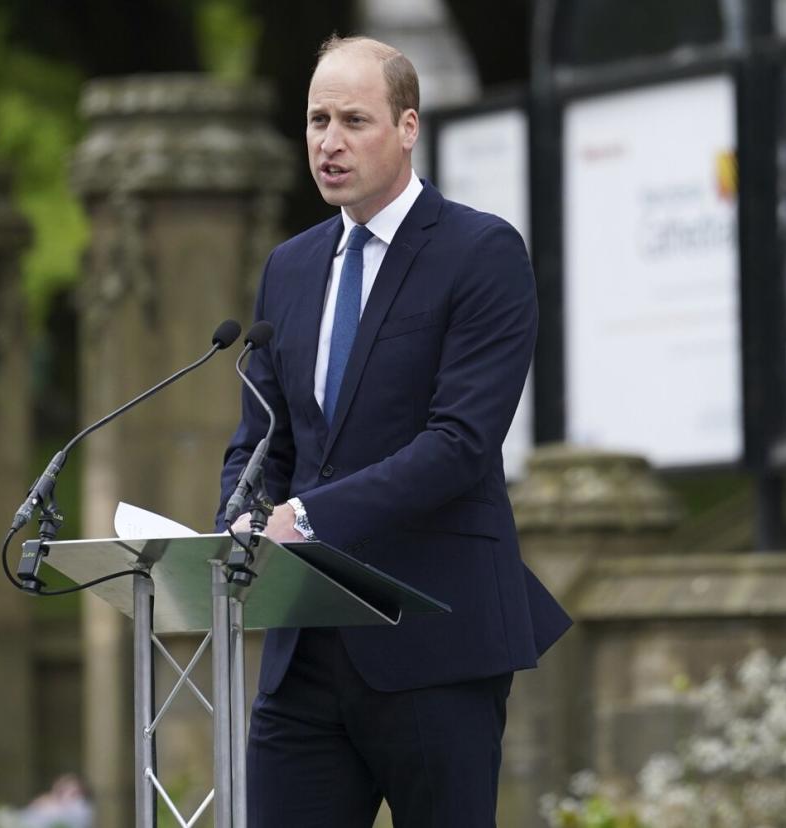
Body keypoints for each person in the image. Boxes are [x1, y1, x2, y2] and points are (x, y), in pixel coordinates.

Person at [217, 34, 572, 828]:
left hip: (435, 640)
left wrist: (308, 517)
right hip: (305, 654)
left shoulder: (481, 253)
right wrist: (237, 519)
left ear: (408, 127)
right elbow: (260, 440)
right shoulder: (290, 268)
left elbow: (460, 444)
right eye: (316, 121)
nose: (329, 142)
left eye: (353, 120)